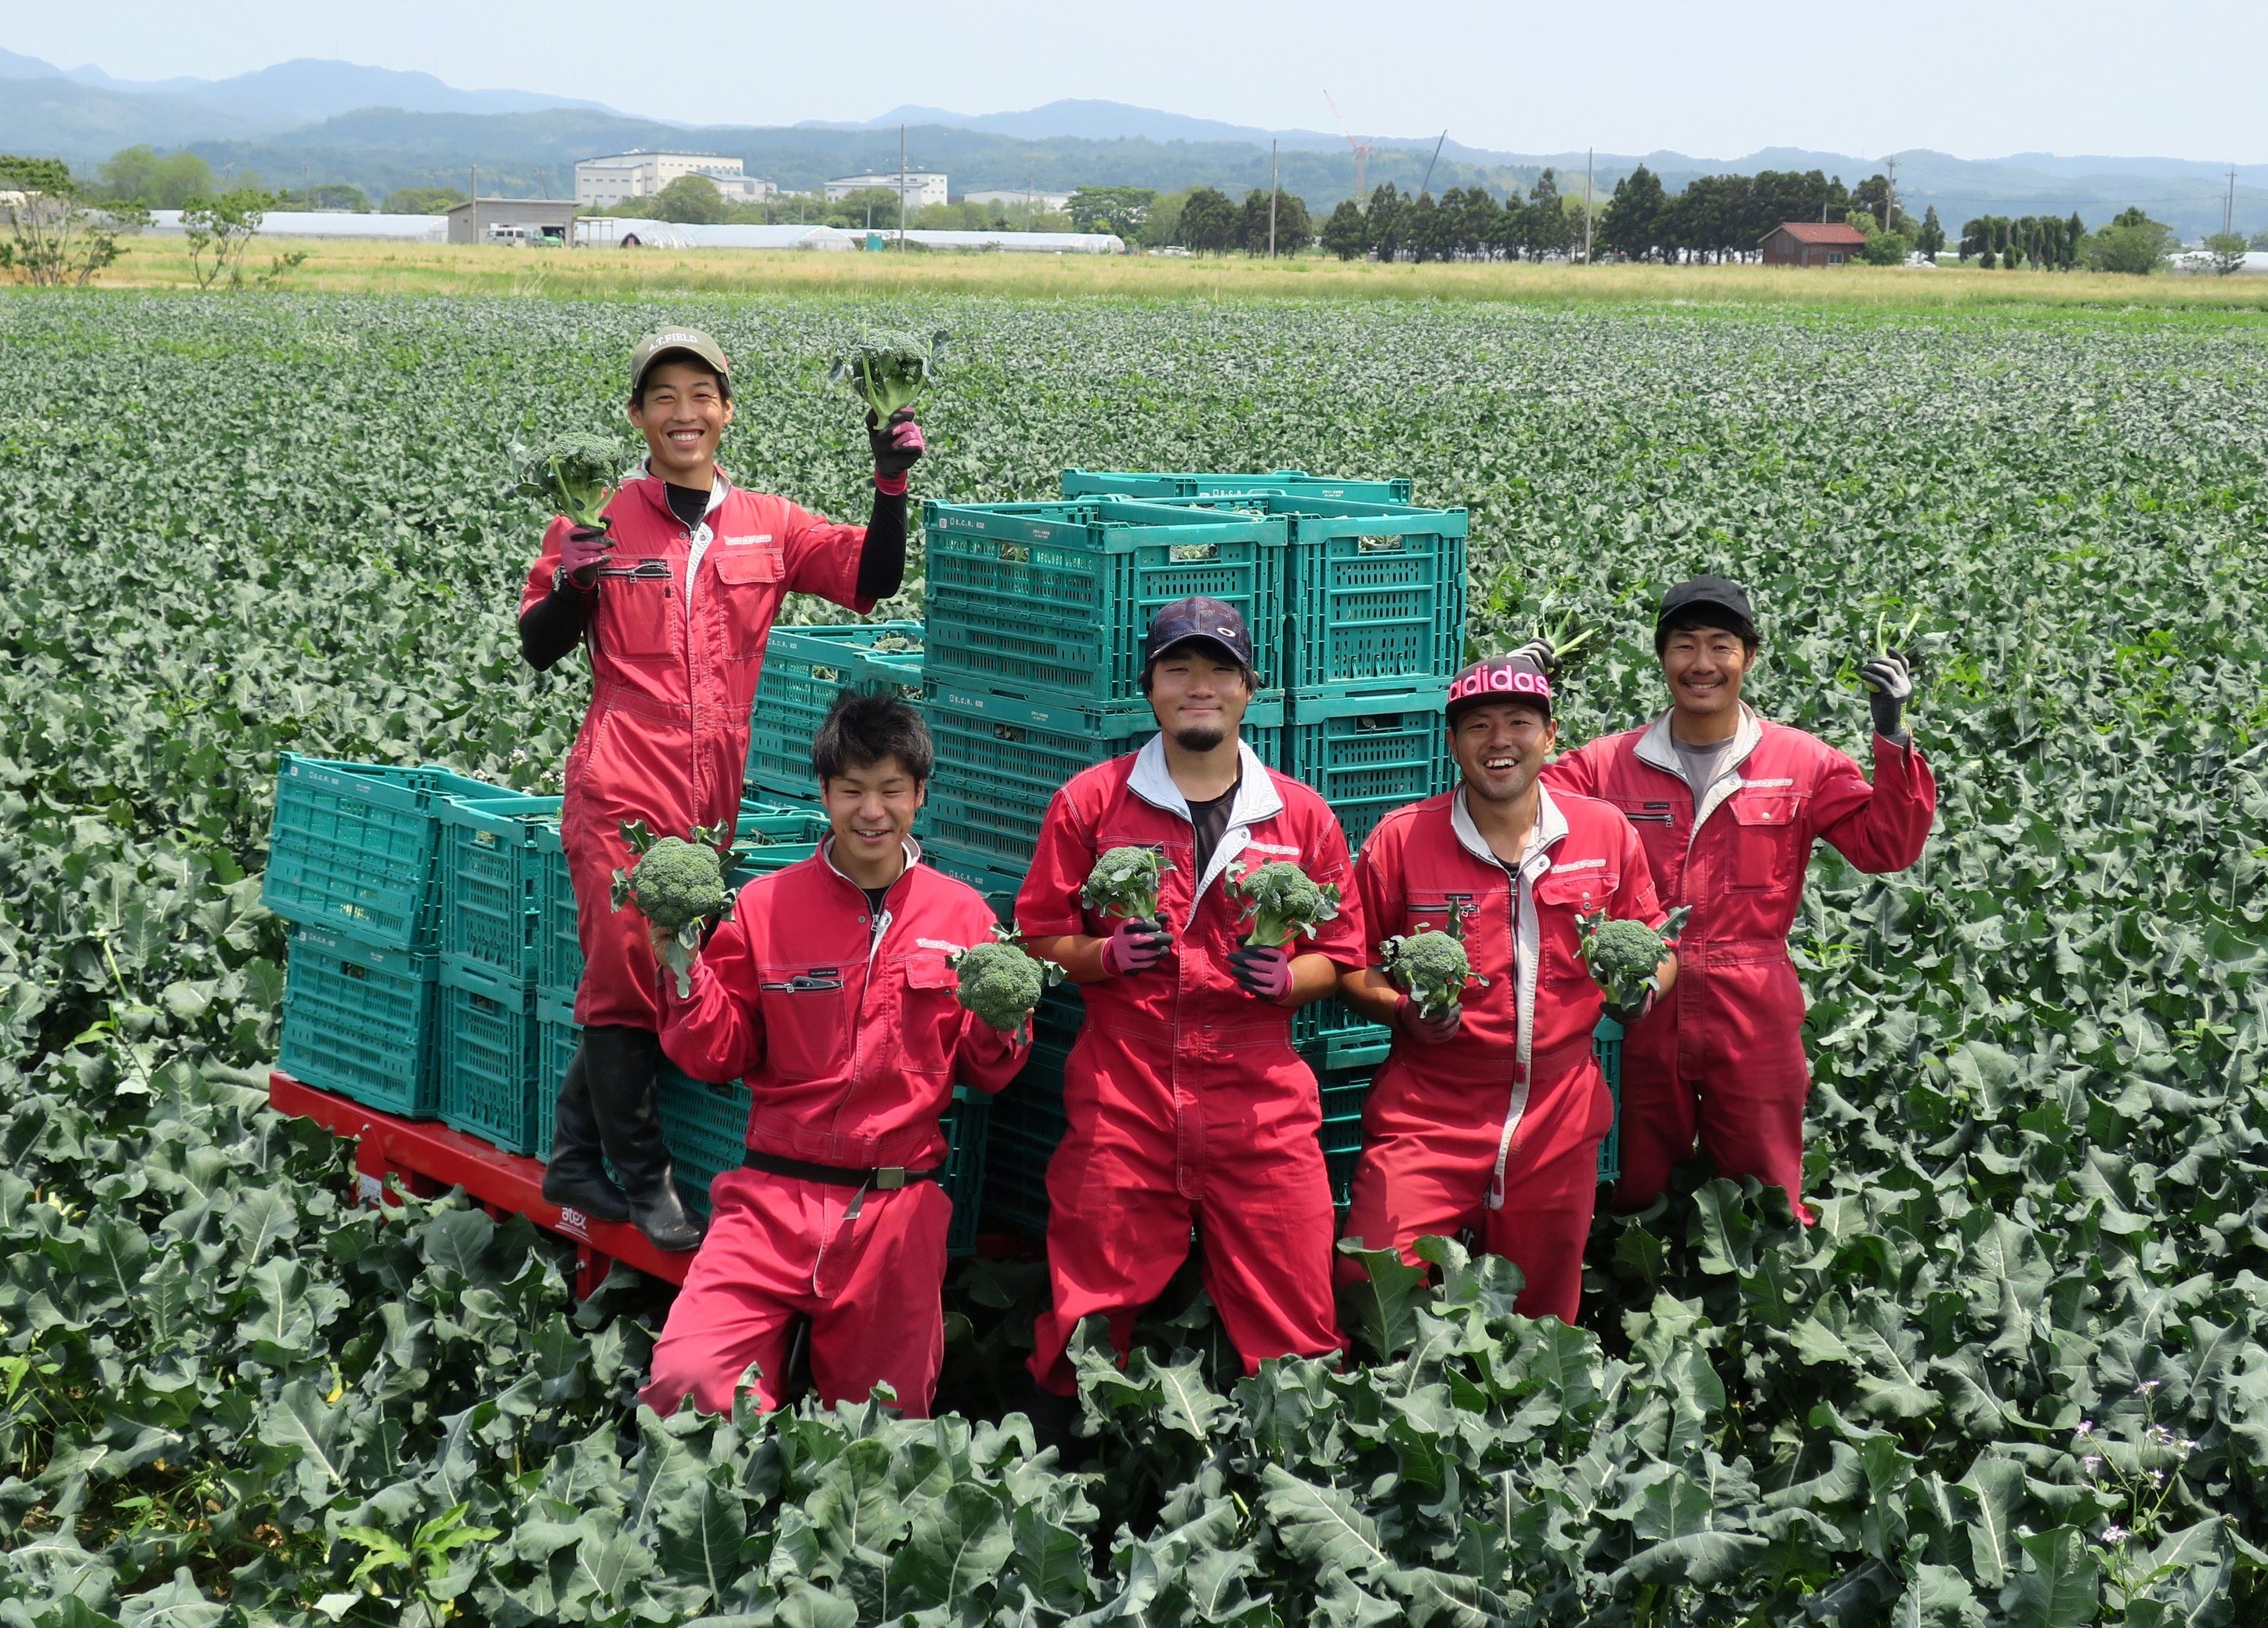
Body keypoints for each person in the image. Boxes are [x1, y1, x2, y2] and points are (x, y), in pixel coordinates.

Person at [518, 326, 926, 1250]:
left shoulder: (767, 523)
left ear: (727, 411)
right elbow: (539, 647)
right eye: (663, 396)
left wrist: (890, 482)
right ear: (637, 416)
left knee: (657, 959)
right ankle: (645, 1175)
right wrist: (573, 587)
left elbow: (875, 576)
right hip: (622, 773)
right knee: (630, 965)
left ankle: (574, 1153)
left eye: (701, 394)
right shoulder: (595, 519)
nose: (684, 412)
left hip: (712, 792)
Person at [1013, 597, 1364, 1403]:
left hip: (1260, 1099)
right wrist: (1101, 956)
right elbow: (1038, 937)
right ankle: (1073, 1450)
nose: (1198, 686)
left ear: (1249, 689)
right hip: (1124, 1091)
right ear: (1150, 688)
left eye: (1218, 669)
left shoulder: (1301, 814)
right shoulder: (1091, 802)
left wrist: (1292, 979)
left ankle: (1299, 1452)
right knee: (1087, 1311)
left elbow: (1342, 951)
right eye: (1177, 668)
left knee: (1297, 1316)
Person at [640, 694, 1027, 1415]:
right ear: (823, 793)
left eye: (890, 790)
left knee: (883, 1429)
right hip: (770, 1198)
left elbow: (988, 1070)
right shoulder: (763, 907)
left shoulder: (965, 917)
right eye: (852, 790)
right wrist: (682, 970)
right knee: (688, 1387)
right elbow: (717, 1055)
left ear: (920, 794)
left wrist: (1004, 1021)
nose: (871, 812)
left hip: (896, 1209)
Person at [1531, 576, 1935, 1220]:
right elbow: (1512, 800)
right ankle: (1645, 1276)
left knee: (1765, 1190)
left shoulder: (1801, 761)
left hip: (1753, 1005)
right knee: (1637, 1188)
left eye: (1721, 645)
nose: (1702, 663)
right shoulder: (1606, 766)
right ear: (1661, 657)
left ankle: (1763, 1277)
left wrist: (1894, 735)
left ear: (1749, 656)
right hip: (1640, 1001)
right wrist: (1519, 691)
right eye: (1684, 645)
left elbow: (1886, 845)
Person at [1335, 652, 1670, 1320]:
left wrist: (1645, 990)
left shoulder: (1603, 832)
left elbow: (1657, 940)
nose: (1499, 741)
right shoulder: (1401, 840)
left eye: (1519, 722)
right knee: (1368, 1282)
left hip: (1559, 1114)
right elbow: (1352, 967)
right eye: (1478, 725)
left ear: (1550, 736)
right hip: (1428, 1111)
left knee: (1542, 1315)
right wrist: (1401, 1011)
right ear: (1452, 742)